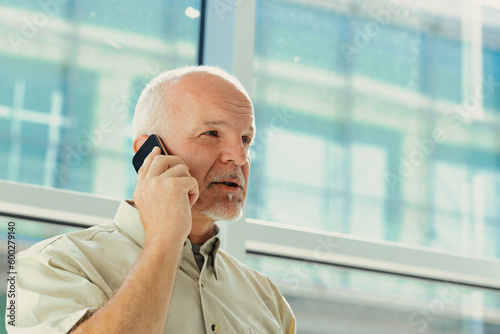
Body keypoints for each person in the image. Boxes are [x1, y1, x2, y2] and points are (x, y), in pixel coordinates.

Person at [6, 66, 296, 333]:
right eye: (211, 133)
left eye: (246, 139)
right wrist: (165, 237)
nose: (240, 157)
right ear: (150, 152)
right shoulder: (51, 265)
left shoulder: (268, 300)